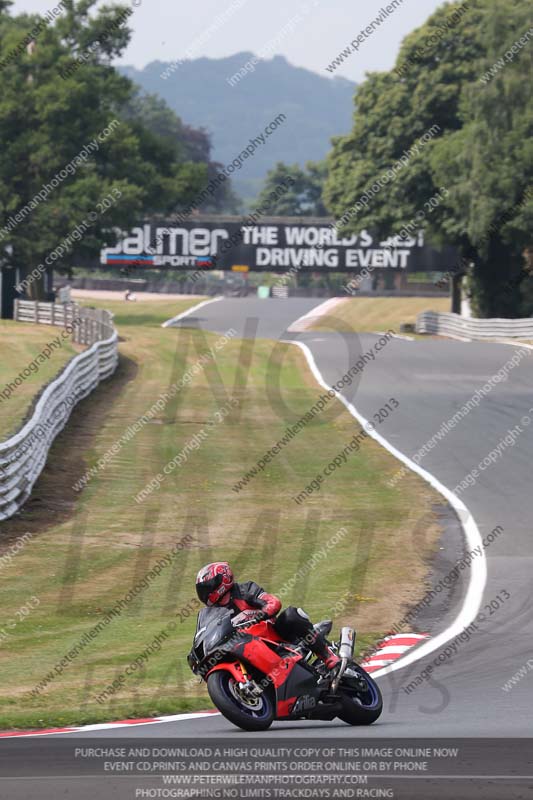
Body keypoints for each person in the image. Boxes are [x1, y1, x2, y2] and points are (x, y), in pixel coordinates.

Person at [195, 562, 340, 670]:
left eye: (207, 587)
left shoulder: (244, 590)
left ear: (222, 580)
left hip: (275, 636)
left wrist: (262, 614)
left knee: (291, 615)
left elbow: (273, 602)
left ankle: (327, 656)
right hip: (246, 649)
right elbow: (205, 634)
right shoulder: (213, 613)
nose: (204, 593)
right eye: (202, 590)